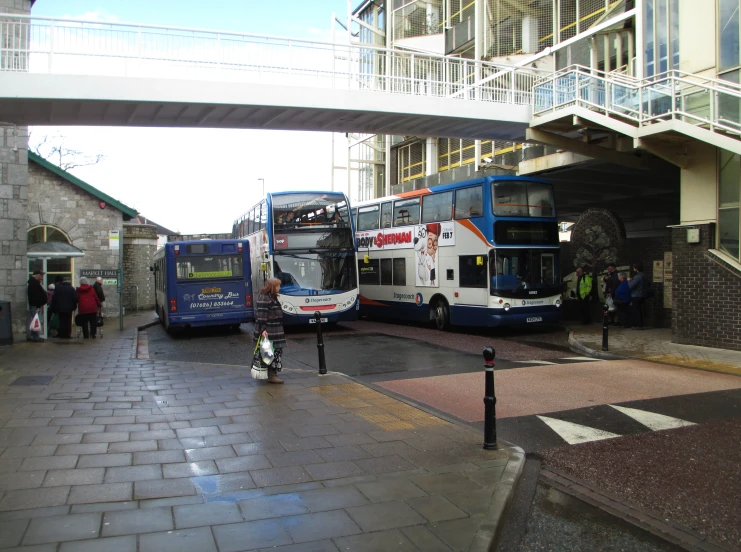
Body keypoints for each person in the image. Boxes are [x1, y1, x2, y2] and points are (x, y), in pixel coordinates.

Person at [253, 278, 286, 384]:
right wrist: (263, 329)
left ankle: (272, 373)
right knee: (269, 352)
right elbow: (261, 315)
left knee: (275, 352)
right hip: (270, 330)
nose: (279, 288)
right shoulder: (265, 298)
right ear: (272, 287)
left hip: (275, 329)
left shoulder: (272, 297)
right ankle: (271, 375)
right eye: (277, 286)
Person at [27, 270, 47, 342]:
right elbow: (36, 296)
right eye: (41, 275)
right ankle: (35, 336)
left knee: (35, 320)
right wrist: (38, 305)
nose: (42, 276)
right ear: (36, 275)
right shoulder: (34, 283)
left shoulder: (35, 283)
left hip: (36, 305)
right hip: (36, 305)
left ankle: (35, 336)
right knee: (35, 320)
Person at [628, 263, 649, 330]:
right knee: (640, 310)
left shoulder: (637, 277)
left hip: (636, 295)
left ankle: (638, 325)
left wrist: (629, 281)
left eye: (634, 268)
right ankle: (640, 324)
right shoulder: (644, 276)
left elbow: (631, 286)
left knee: (636, 310)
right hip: (642, 294)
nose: (633, 269)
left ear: (636, 269)